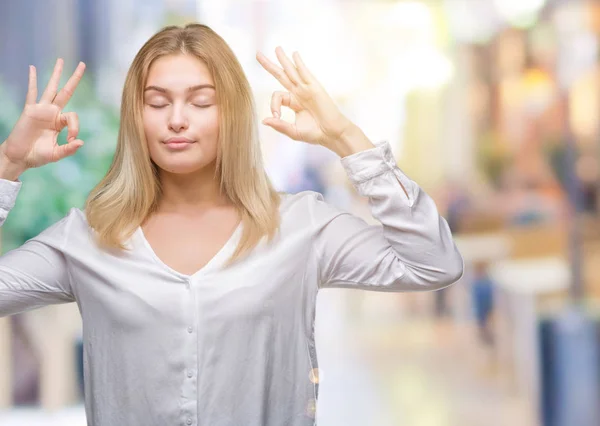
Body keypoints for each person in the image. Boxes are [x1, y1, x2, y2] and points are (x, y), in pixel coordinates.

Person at [0, 23, 464, 426]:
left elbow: (434, 263)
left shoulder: (302, 226)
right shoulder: (86, 239)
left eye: (201, 101)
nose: (177, 120)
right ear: (135, 118)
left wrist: (345, 136)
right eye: (157, 102)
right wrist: (8, 164)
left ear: (232, 114)